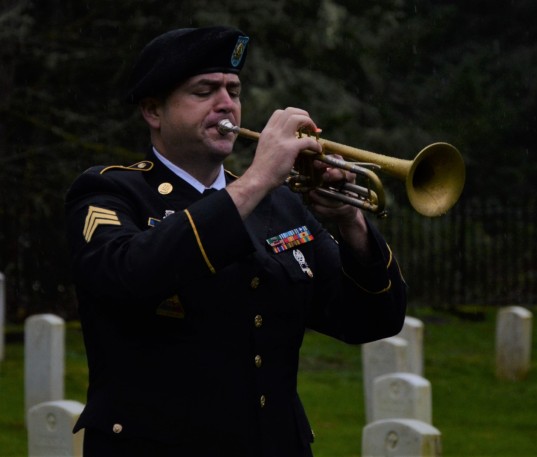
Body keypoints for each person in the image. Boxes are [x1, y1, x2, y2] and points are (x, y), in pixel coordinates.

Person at [65, 26, 407, 457]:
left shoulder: (280, 205)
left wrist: (352, 222)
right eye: (204, 90)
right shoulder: (110, 193)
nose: (226, 104)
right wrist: (259, 178)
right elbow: (131, 276)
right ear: (153, 111)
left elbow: (372, 321)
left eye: (234, 90)